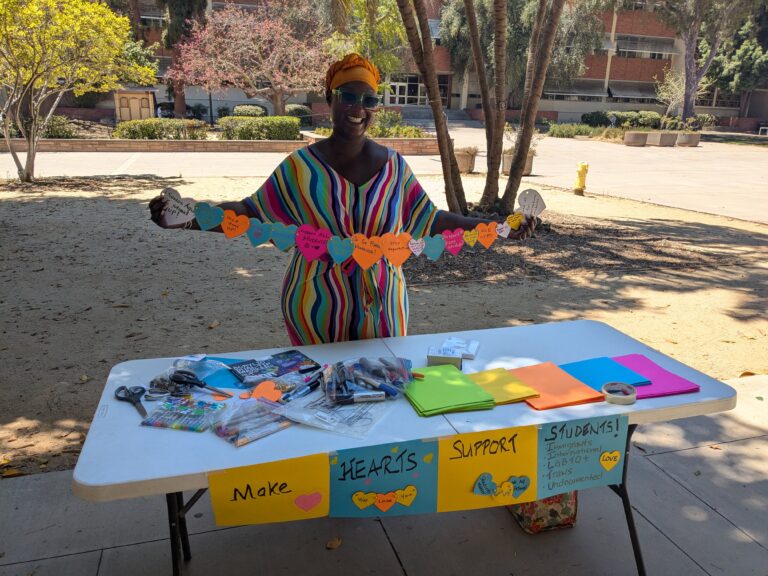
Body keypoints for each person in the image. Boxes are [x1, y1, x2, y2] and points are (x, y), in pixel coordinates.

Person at [149, 53, 536, 347]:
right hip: (314, 307)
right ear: (331, 98)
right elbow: (251, 214)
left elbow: (430, 221)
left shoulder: (395, 168)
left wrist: (500, 229)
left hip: (383, 306)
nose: (358, 108)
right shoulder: (301, 168)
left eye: (369, 100)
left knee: (381, 402)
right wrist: (188, 217)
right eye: (349, 96)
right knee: (319, 405)